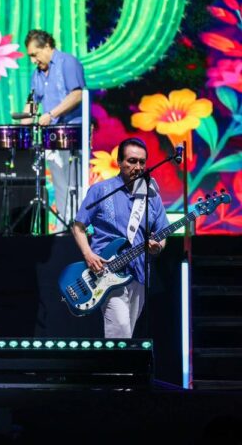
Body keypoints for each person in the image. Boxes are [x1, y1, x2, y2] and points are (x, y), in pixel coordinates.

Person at [72, 138, 168, 338]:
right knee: (121, 328)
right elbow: (78, 226)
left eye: (142, 162)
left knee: (127, 334)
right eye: (132, 161)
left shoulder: (151, 196)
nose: (138, 167)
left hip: (139, 273)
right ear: (119, 162)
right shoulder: (101, 190)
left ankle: (119, 360)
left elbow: (162, 232)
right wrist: (88, 255)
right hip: (106, 273)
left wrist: (158, 246)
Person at [23, 29, 86, 232]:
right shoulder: (37, 74)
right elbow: (33, 103)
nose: (33, 60)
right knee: (59, 183)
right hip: (51, 134)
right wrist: (22, 119)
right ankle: (62, 227)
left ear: (48, 46)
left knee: (75, 182)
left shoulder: (68, 62)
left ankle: (78, 228)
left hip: (73, 131)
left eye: (34, 54)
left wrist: (51, 114)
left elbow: (77, 95)